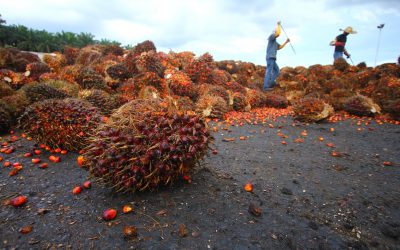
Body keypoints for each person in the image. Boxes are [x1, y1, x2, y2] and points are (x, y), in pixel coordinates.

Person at [263, 21, 290, 91]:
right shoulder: (271, 37)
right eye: (275, 33)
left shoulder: (275, 42)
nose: (276, 34)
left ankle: (271, 83)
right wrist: (278, 25)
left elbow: (279, 47)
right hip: (270, 58)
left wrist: (286, 42)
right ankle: (265, 87)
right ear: (274, 33)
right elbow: (278, 33)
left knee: (277, 71)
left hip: (273, 58)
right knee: (269, 71)